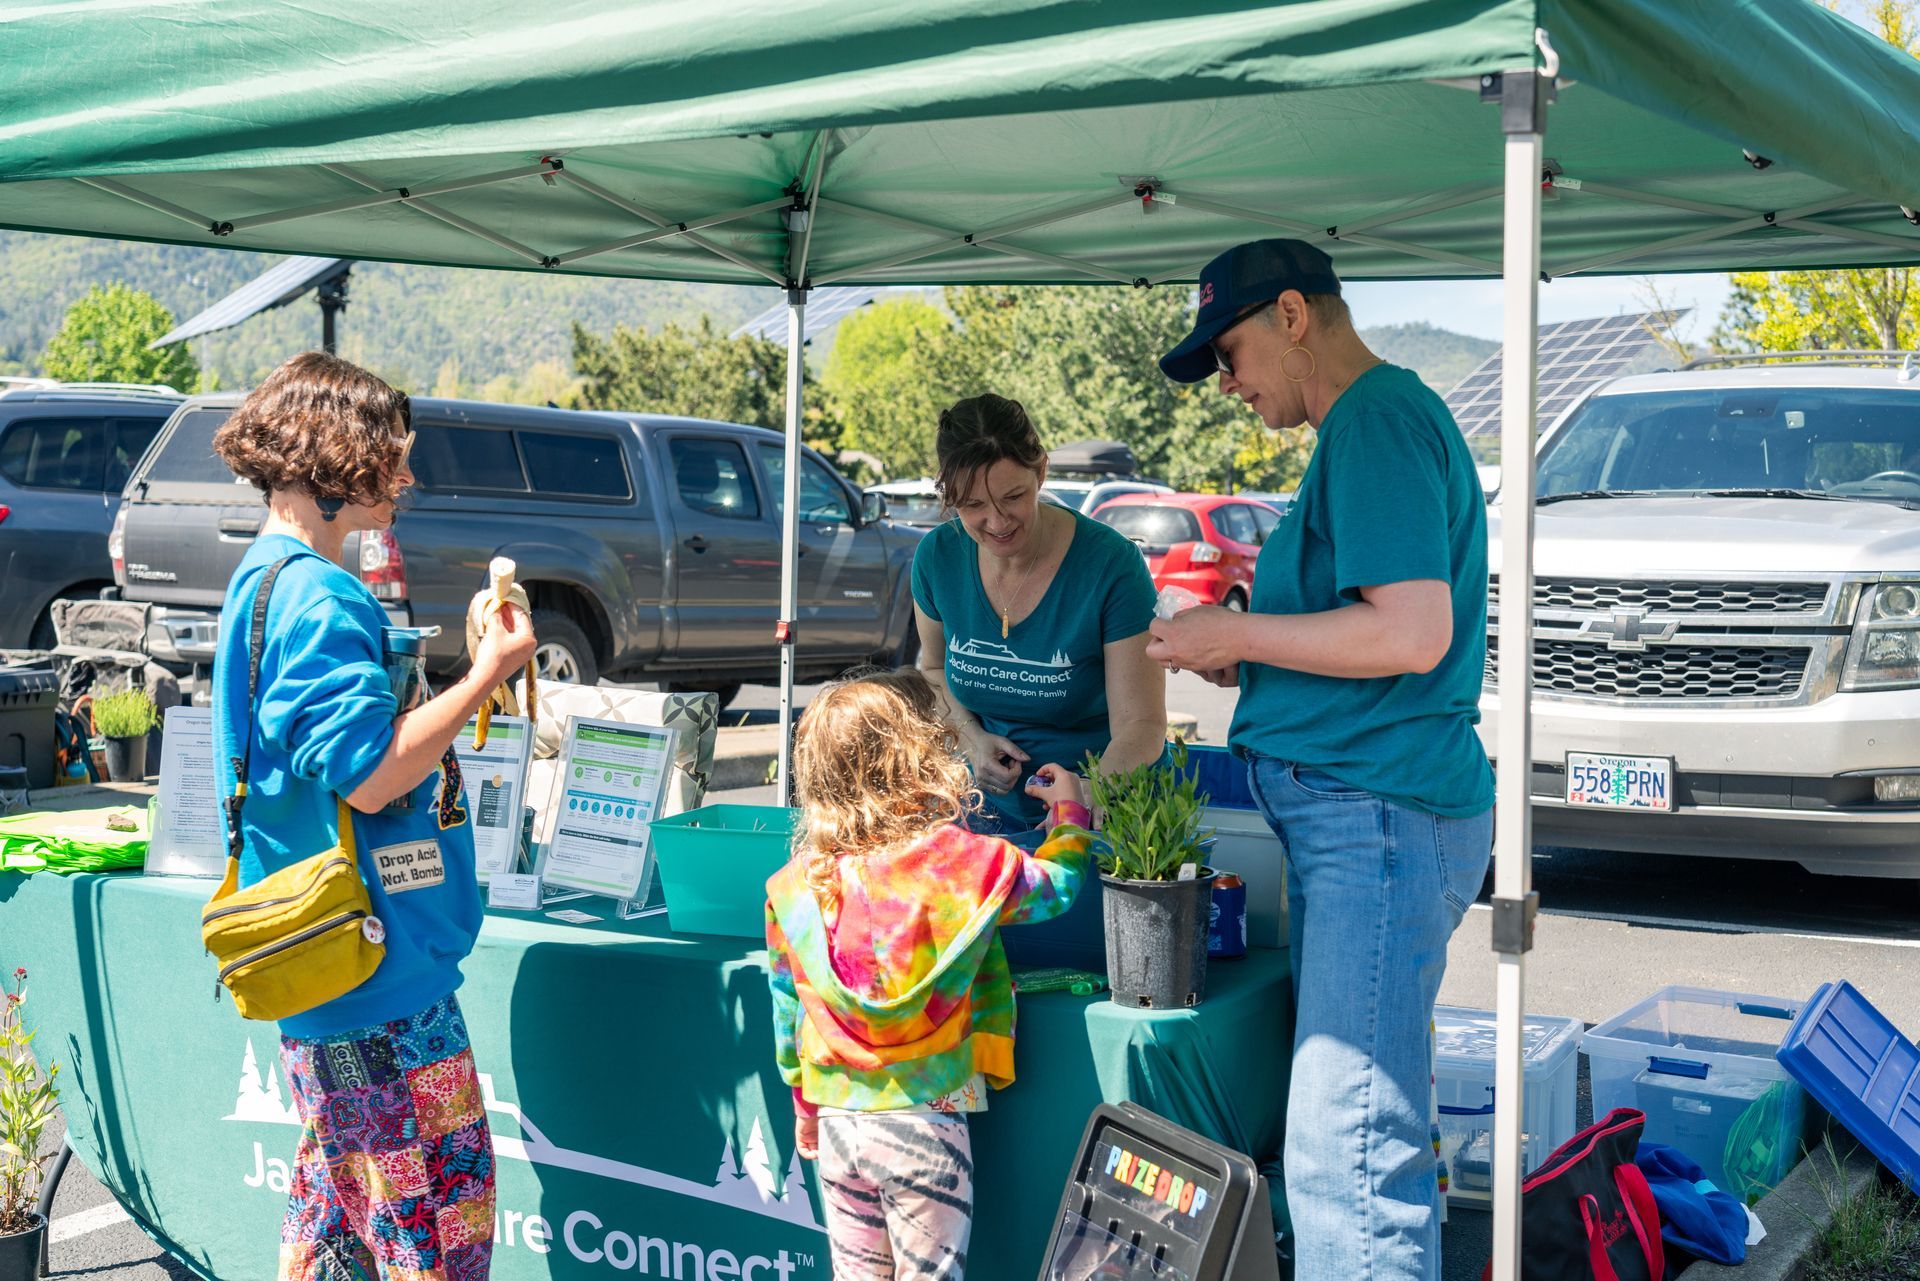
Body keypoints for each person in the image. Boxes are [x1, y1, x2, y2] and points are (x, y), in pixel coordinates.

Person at [1147, 239, 1495, 1281]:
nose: (1229, 381)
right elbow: (1363, 631)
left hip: (1377, 818)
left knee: (1349, 1156)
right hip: (1370, 817)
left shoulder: (1378, 422)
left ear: (1294, 315)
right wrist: (1245, 646)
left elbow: (1411, 634)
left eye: (1233, 350)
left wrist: (1241, 639)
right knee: (1362, 1131)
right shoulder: (1368, 427)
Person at [211, 352, 537, 1281]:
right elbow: (368, 772)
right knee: (432, 1224)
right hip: (378, 982)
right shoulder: (316, 592)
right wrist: (487, 675)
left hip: (333, 968)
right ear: (335, 455)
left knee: (342, 1230)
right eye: (392, 454)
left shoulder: (266, 577)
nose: (406, 475)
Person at [763, 669, 1092, 1280]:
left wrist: (804, 1102)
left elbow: (791, 1012)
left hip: (837, 1125)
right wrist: (1069, 814)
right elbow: (1058, 890)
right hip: (927, 1124)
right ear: (923, 757)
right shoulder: (964, 863)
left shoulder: (797, 887)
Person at [911, 394, 1166, 835]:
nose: (996, 521)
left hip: (1107, 810)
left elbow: (1141, 724)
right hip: (984, 811)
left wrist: (1086, 797)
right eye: (972, 505)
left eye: (1013, 496)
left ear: (1041, 471)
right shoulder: (937, 556)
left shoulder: (1109, 565)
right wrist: (973, 743)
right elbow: (932, 670)